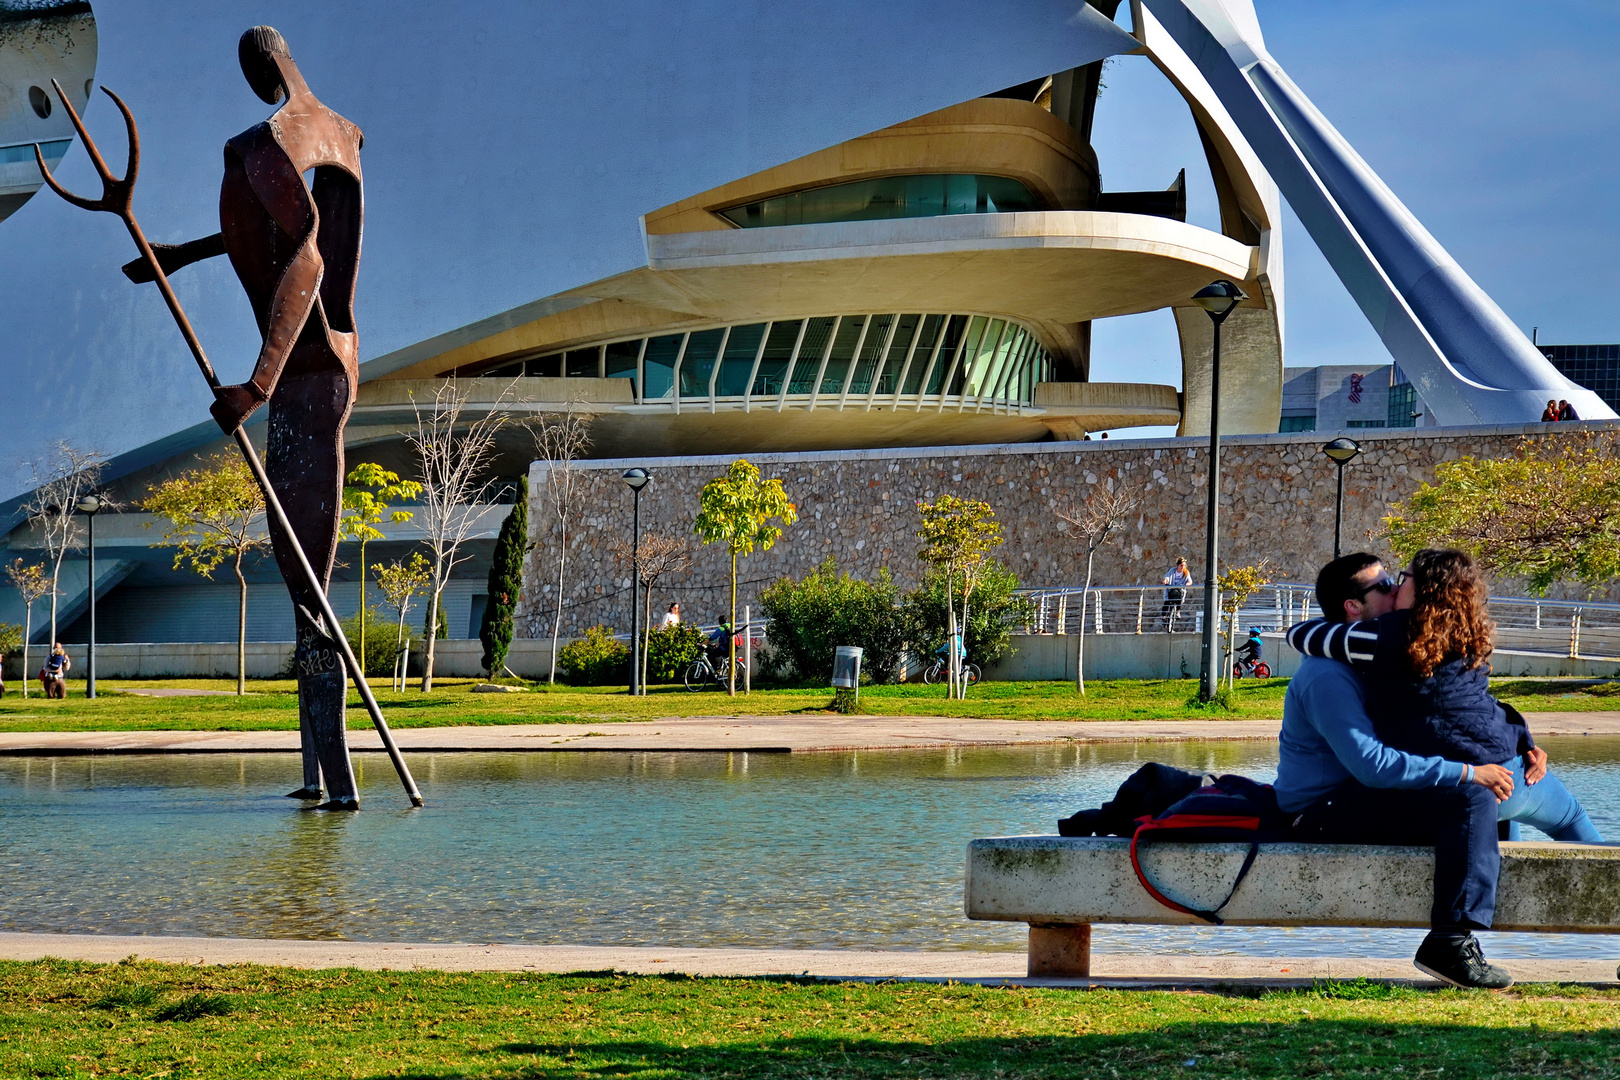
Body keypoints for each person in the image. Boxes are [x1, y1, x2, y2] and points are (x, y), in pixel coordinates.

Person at [123, 27, 364, 809]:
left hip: (303, 377)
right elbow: (269, 234)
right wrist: (177, 256)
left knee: (308, 586)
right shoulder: (342, 134)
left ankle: (341, 782)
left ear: (256, 70)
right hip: (329, 367)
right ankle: (316, 775)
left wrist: (256, 387)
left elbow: (310, 257)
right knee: (305, 581)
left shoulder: (266, 141)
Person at [1276, 553, 1517, 988]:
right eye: (1384, 585)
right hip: (1318, 811)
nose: (1396, 589)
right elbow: (1372, 766)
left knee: (1488, 804)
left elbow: (1467, 710)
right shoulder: (1328, 675)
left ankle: (1465, 938)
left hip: (1359, 797)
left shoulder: (1380, 655)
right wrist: (1465, 772)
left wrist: (1525, 742)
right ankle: (1448, 942)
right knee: (1471, 795)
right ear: (1353, 607)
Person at [1286, 549, 1600, 843]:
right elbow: (1475, 704)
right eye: (1385, 585)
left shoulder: (1388, 635)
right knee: (1572, 821)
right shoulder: (1459, 630)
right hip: (1508, 772)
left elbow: (1301, 635)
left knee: (1495, 813)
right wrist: (1524, 742)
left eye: (1400, 579)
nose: (1395, 588)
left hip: (1472, 782)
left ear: (1425, 590)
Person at [1160, 558, 1191, 631]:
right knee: (1166, 601)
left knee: (1180, 598)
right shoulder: (1172, 571)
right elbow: (1167, 577)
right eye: (1181, 565)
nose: (1182, 567)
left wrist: (1186, 585)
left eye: (1184, 565)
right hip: (1171, 588)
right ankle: (1163, 617)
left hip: (1180, 590)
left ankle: (1177, 612)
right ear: (1177, 565)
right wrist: (1165, 581)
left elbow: (1190, 581)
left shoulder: (1186, 572)